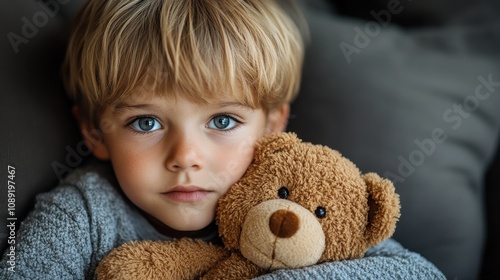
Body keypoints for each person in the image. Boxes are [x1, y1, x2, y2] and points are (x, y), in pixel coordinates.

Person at [0, 0, 445, 279]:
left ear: (272, 127)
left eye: (224, 121)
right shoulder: (82, 213)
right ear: (94, 132)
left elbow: (418, 273)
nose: (186, 157)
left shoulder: (297, 204)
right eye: (146, 123)